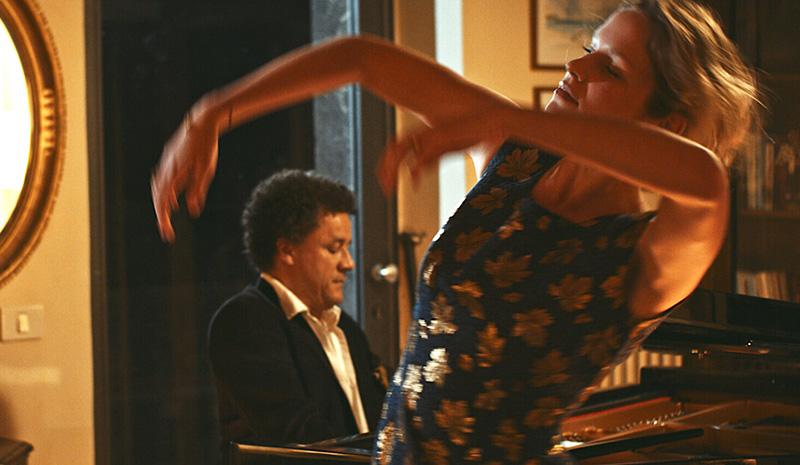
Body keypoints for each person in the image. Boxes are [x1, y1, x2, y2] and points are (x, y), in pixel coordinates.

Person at [151, 1, 760, 463]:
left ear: (668, 124)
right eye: (588, 48)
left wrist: (504, 117)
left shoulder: (648, 252)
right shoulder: (514, 160)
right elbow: (362, 58)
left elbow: (705, 180)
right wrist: (212, 112)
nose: (576, 66)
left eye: (611, 69)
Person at [207, 170, 387, 456]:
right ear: (287, 250)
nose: (349, 263)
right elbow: (298, 439)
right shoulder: (245, 320)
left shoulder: (347, 330)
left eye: (348, 248)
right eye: (334, 248)